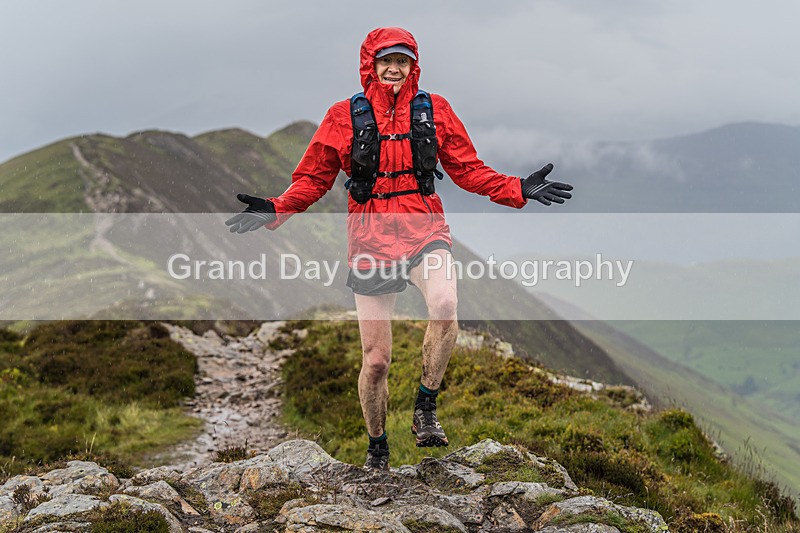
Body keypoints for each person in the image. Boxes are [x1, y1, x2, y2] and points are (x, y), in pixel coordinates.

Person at [225, 27, 573, 471]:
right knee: (376, 362)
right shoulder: (342, 116)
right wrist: (276, 208)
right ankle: (377, 449)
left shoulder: (434, 111)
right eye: (386, 60)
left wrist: (519, 188)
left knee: (445, 305)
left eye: (403, 61)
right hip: (369, 239)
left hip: (424, 228)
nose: (394, 68)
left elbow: (468, 170)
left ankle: (426, 406)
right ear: (370, 64)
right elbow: (313, 180)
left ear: (414, 65)